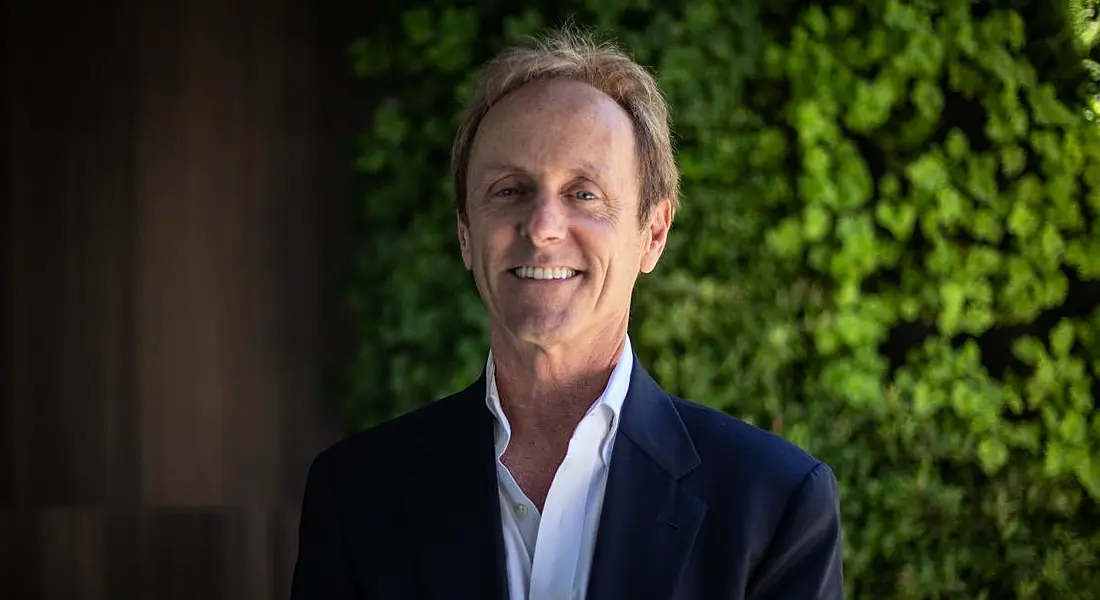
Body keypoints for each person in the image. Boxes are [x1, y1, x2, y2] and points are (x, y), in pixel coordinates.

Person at [290, 26, 843, 600]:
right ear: (464, 234)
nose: (543, 226)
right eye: (509, 190)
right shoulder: (355, 495)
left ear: (652, 234)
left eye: (584, 193)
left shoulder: (774, 503)